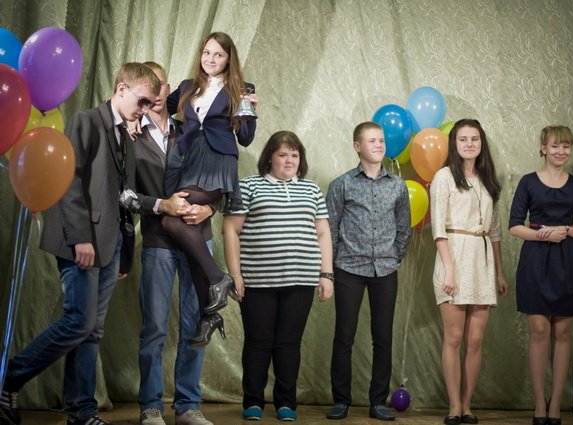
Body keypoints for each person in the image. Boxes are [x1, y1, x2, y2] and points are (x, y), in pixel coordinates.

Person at [0, 63, 160, 425]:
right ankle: (8, 378)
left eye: (150, 104)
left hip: (109, 245)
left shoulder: (127, 137)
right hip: (81, 242)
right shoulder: (86, 121)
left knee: (91, 331)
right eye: (142, 101)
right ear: (121, 89)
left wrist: (123, 254)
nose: (145, 109)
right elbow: (68, 180)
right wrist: (81, 238)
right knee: (79, 322)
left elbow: (123, 197)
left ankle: (82, 412)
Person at [223, 131, 333, 422]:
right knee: (258, 342)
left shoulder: (311, 190)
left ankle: (286, 402)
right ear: (269, 157)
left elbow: (323, 233)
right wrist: (235, 274)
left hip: (301, 280)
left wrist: (326, 274)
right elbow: (231, 229)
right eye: (283, 154)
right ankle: (253, 401)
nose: (289, 160)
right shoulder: (248, 186)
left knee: (289, 344)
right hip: (258, 281)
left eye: (294, 155)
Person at [132, 62, 218, 425]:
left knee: (196, 322)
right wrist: (161, 205)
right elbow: (124, 194)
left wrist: (210, 208)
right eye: (147, 86)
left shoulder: (192, 130)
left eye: (160, 84)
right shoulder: (130, 135)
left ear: (168, 90)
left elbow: (218, 177)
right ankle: (151, 405)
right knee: (154, 327)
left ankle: (188, 405)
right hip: (157, 241)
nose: (154, 92)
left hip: (199, 239)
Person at [162, 32, 258, 344]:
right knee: (185, 225)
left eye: (218, 54)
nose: (210, 59)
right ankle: (210, 312)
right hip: (190, 160)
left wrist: (246, 107)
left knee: (173, 219)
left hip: (218, 159)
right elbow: (161, 107)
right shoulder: (187, 87)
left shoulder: (241, 89)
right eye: (206, 52)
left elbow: (246, 138)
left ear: (229, 59)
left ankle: (218, 279)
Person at [509, 125, 573, 425]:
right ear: (543, 148)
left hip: (567, 263)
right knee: (539, 332)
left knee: (563, 333)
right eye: (555, 146)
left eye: (566, 146)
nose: (561, 151)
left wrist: (566, 230)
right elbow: (514, 225)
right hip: (534, 261)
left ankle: (555, 403)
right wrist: (543, 235)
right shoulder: (528, 182)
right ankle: (538, 404)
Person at [325, 121, 411, 422]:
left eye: (381, 140)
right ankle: (341, 400)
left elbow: (404, 228)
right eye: (372, 140)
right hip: (348, 268)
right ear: (357, 146)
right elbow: (330, 229)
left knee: (383, 337)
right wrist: (330, 269)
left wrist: (394, 257)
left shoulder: (397, 186)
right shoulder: (342, 185)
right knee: (344, 336)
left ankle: (378, 402)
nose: (379, 145)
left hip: (385, 269)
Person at [430, 119, 508, 425]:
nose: (469, 144)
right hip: (453, 257)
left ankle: (467, 405)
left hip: (482, 260)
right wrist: (449, 271)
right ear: (454, 143)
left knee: (475, 340)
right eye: (462, 139)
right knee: (454, 337)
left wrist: (499, 272)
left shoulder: (487, 179)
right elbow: (438, 228)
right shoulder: (444, 177)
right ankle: (453, 406)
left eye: (474, 139)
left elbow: (495, 230)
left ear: (481, 143)